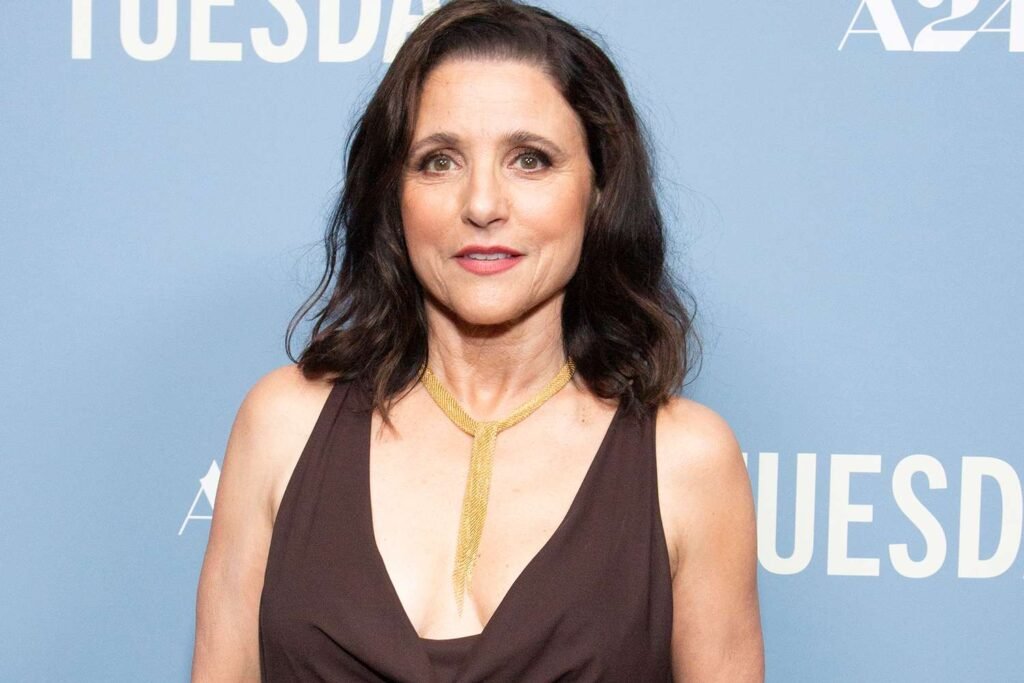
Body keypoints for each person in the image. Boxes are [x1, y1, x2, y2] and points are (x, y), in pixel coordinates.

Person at [192, 0, 763, 680]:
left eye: (530, 159)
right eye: (439, 161)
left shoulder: (686, 461)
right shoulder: (281, 425)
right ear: (393, 194)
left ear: (600, 189)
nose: (483, 204)